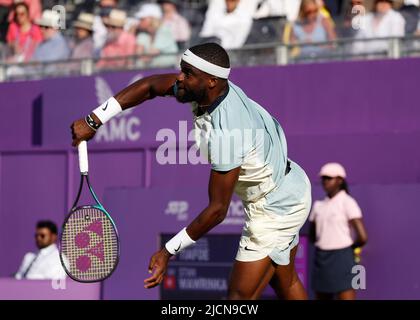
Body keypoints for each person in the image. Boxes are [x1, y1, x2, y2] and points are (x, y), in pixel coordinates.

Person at [70, 42, 312, 300]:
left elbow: (218, 210)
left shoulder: (228, 132)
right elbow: (151, 86)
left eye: (188, 74)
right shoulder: (207, 90)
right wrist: (94, 120)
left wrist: (167, 251)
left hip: (276, 207)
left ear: (211, 81)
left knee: (238, 298)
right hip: (292, 185)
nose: (180, 79)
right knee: (284, 281)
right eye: (182, 70)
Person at [309, 163, 368, 300]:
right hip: (321, 258)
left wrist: (348, 249)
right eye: (323, 178)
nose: (325, 181)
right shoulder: (318, 205)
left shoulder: (348, 202)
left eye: (329, 178)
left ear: (340, 180)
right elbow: (313, 236)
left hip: (343, 258)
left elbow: (363, 237)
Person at [135, 3, 178, 69]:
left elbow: (147, 57)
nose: (139, 22)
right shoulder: (143, 34)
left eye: (142, 19)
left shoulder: (164, 31)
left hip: (167, 71)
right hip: (151, 71)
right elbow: (138, 57)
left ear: (152, 19)